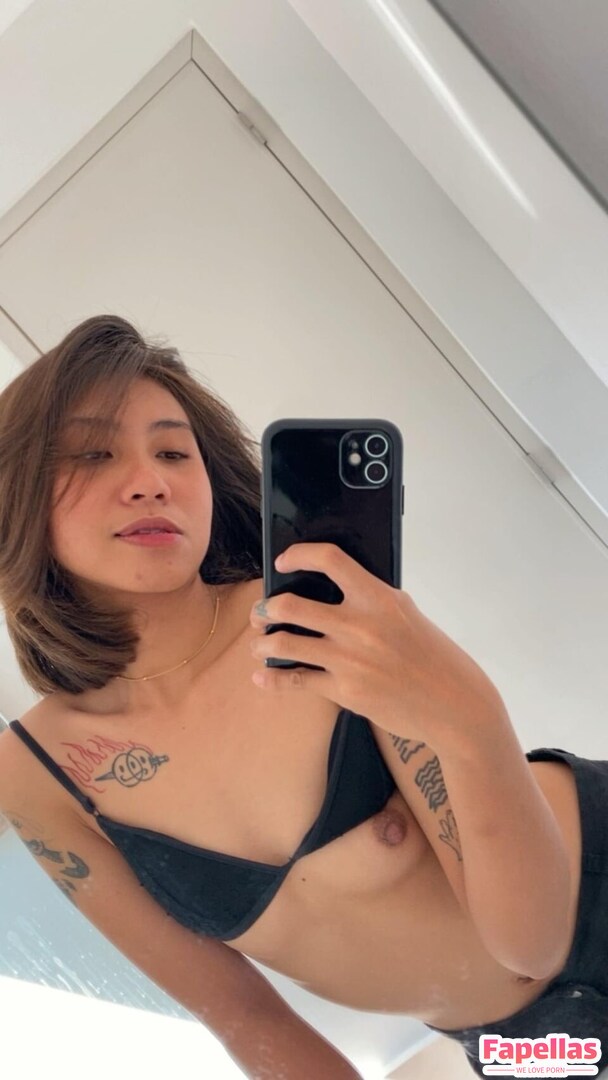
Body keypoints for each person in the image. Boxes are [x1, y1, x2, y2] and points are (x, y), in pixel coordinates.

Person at [0, 314, 606, 1080]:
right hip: (521, 1041)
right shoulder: (35, 772)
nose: (150, 480)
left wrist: (471, 715)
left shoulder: (313, 616)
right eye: (94, 453)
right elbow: (241, 1015)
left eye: (173, 451)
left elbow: (531, 943)